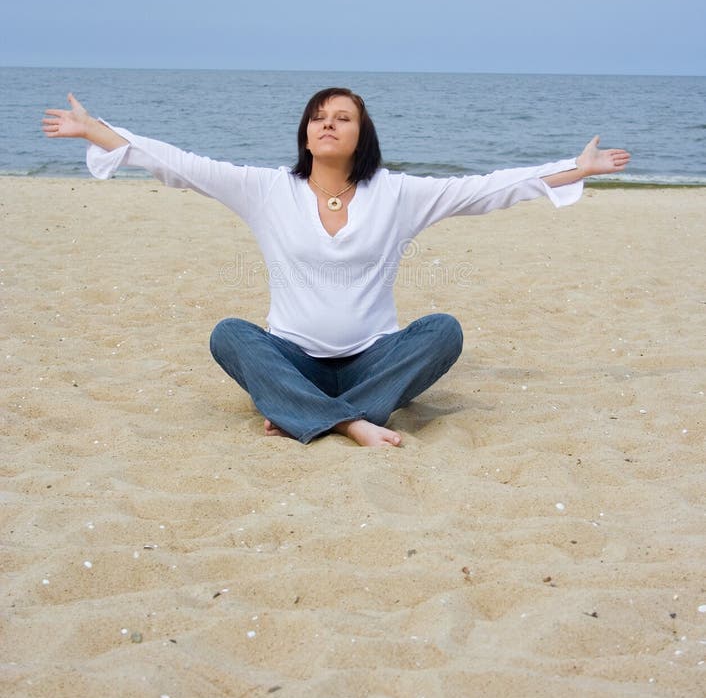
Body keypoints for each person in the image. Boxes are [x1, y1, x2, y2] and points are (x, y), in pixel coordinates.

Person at [42, 88, 631, 448]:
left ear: (361, 133)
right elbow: (178, 162)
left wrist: (574, 169)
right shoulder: (265, 189)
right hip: (292, 354)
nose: (328, 123)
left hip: (373, 357)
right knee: (230, 335)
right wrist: (97, 130)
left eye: (342, 117)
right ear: (305, 131)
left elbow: (485, 189)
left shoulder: (397, 194)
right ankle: (351, 423)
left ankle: (301, 412)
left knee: (443, 331)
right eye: (318, 116)